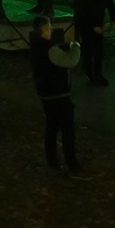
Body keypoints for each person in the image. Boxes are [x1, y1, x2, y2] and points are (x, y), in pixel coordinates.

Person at [30, 17, 85, 176]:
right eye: (49, 28)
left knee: (52, 127)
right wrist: (76, 46)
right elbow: (71, 61)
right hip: (59, 94)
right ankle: (72, 163)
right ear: (44, 30)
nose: (51, 30)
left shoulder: (35, 47)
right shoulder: (50, 49)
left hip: (45, 94)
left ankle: (52, 159)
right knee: (67, 130)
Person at [73, 0, 115, 86]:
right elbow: (80, 16)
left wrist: (113, 20)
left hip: (98, 25)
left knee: (99, 51)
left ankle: (98, 74)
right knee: (88, 51)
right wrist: (93, 27)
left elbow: (111, 6)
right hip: (86, 27)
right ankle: (89, 74)